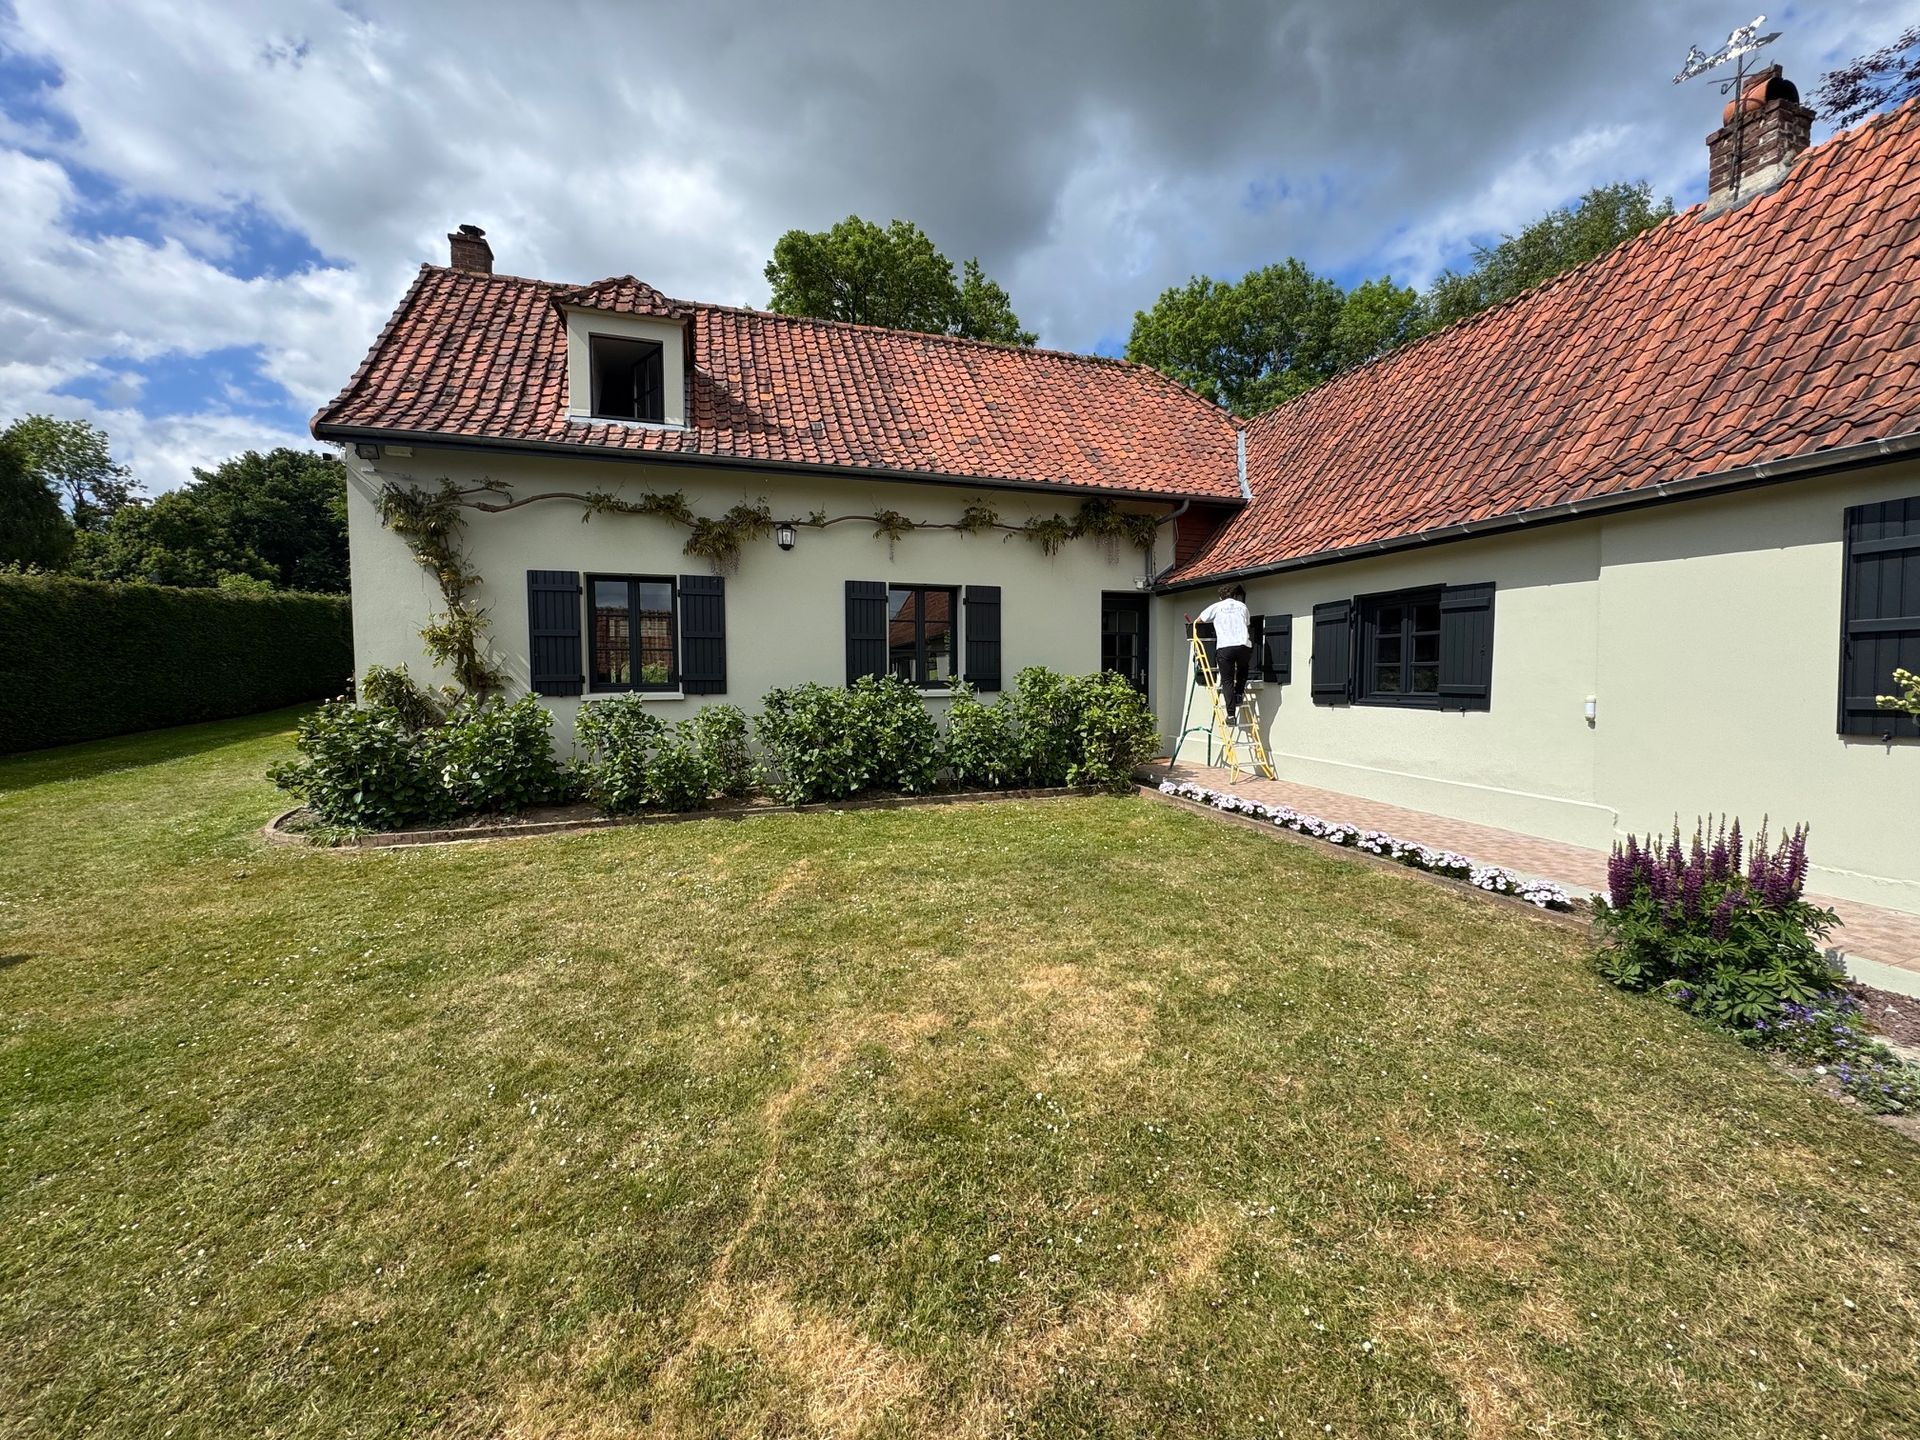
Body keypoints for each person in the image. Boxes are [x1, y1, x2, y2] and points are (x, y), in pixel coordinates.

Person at [1197, 583, 1253, 717]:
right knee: (1242, 669)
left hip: (1225, 646)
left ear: (1220, 597)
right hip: (1243, 645)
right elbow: (1247, 624)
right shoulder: (1242, 606)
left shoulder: (1217, 606)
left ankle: (1231, 715)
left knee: (1227, 680)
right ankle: (1239, 693)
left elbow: (1199, 620)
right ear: (1234, 595)